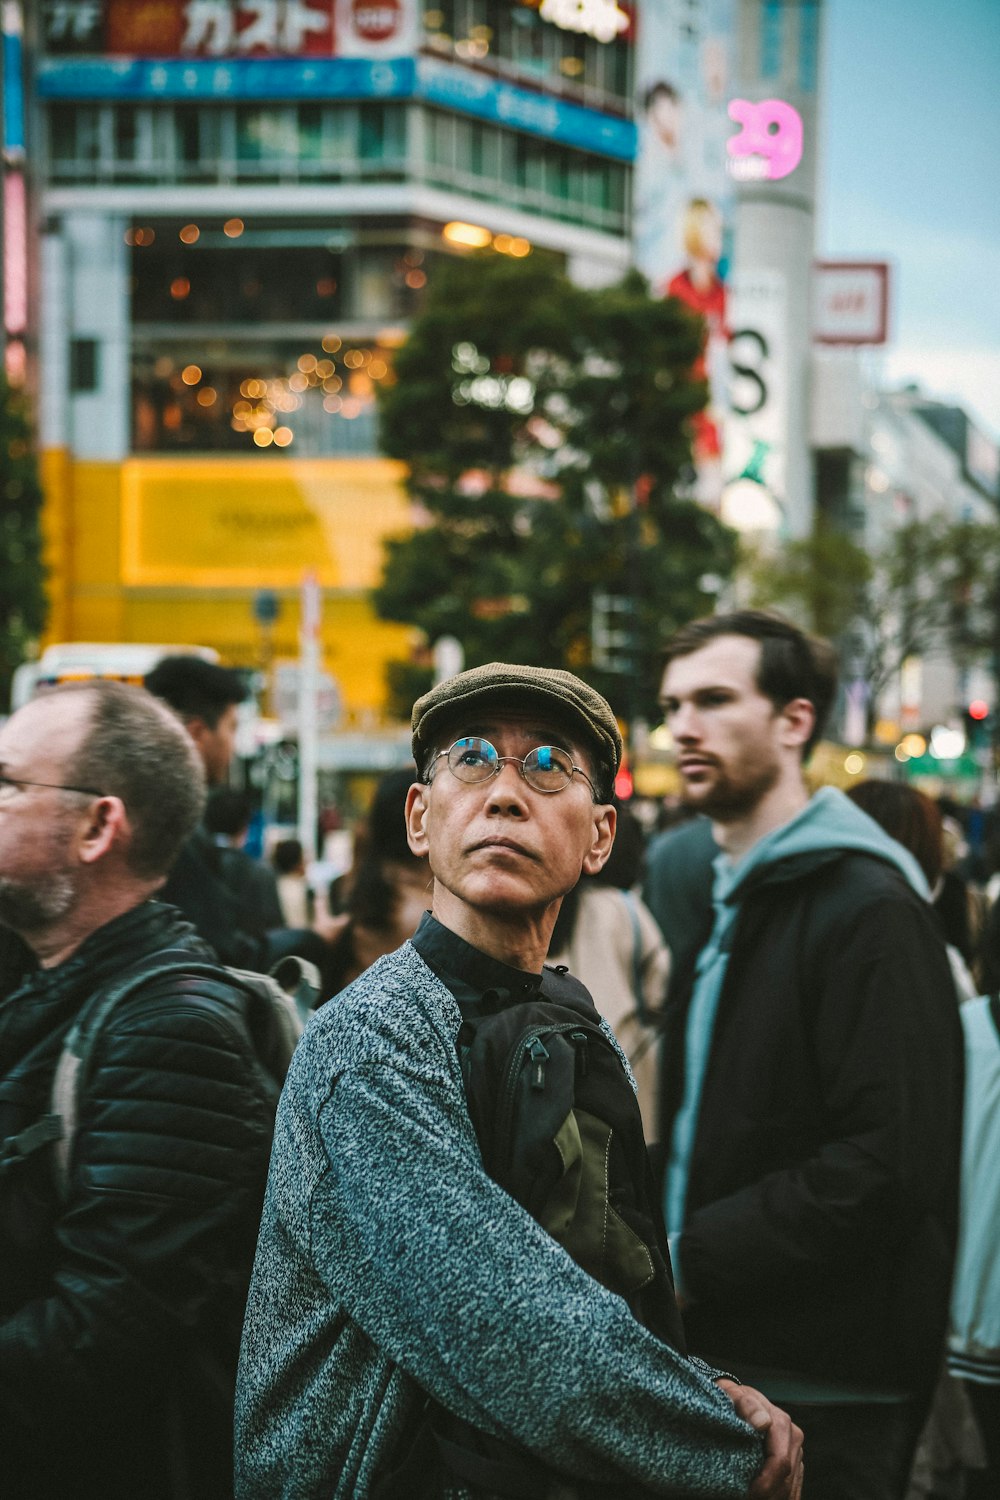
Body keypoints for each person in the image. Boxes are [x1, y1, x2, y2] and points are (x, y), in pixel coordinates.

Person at [236, 662, 803, 1499]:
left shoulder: (566, 1021)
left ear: (600, 837)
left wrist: (706, 1387)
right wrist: (723, 1448)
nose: (505, 793)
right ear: (420, 820)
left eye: (547, 765)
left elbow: (595, 1283)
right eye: (471, 758)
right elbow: (505, 1327)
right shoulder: (371, 1042)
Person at [658, 610, 964, 1500]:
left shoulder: (866, 906)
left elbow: (885, 1161)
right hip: (737, 1364)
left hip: (832, 1386)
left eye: (715, 700)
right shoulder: (741, 897)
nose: (683, 725)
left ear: (794, 721)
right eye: (675, 703)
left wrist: (687, 1259)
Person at [0, 680, 276, 1499]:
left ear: (98, 827)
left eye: (10, 785)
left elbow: (104, 1336)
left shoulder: (172, 1032)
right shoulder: (48, 982)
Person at [145, 654, 330, 971]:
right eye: (231, 728)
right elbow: (221, 955)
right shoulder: (174, 827)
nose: (232, 745)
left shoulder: (140, 808)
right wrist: (315, 939)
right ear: (197, 733)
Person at [548, 797, 669, 1140]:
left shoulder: (539, 910)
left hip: (555, 1092)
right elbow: (660, 987)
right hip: (628, 1079)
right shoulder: (625, 910)